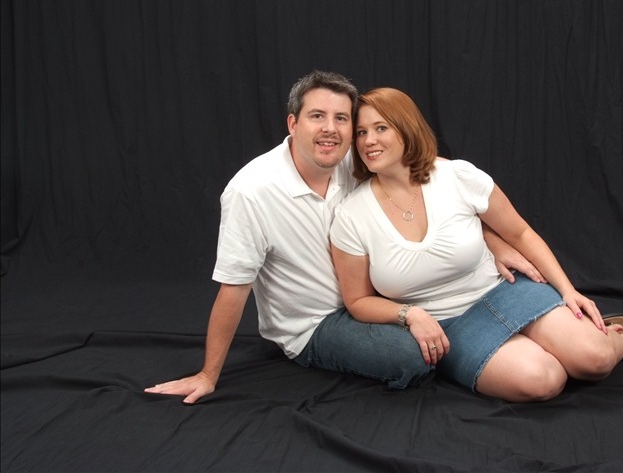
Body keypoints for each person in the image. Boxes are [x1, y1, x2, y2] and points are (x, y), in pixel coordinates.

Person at [144, 71, 542, 404]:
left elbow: (437, 183)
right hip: (318, 323)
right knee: (411, 357)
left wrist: (491, 238)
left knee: (434, 319)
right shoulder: (251, 192)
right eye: (317, 116)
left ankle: (489, 338)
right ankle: (477, 353)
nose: (330, 129)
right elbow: (234, 287)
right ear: (293, 123)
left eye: (341, 119)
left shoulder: (356, 157)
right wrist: (208, 374)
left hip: (378, 296)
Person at [329, 87, 623, 402]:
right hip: (447, 326)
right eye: (361, 133)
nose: (368, 141)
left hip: (504, 290)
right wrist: (410, 315)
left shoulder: (457, 176)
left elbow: (519, 234)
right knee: (543, 380)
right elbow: (358, 301)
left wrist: (569, 291)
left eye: (381, 128)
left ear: (407, 129)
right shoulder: (351, 215)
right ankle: (563, 344)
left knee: (594, 359)